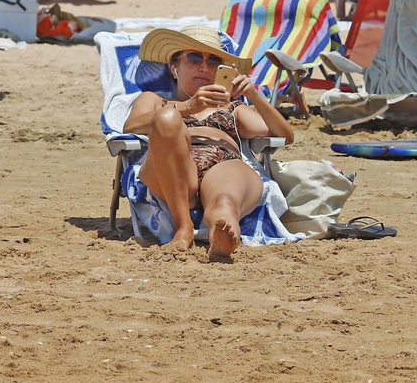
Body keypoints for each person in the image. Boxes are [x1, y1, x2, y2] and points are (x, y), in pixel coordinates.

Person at [121, 25, 295, 259]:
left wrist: (254, 95)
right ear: (174, 68)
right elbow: (130, 127)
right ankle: (184, 227)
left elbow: (285, 135)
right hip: (171, 167)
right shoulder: (154, 100)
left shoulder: (233, 108)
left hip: (224, 163)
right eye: (193, 59)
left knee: (225, 201)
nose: (204, 67)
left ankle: (222, 237)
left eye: (213, 62)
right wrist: (187, 107)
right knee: (167, 117)